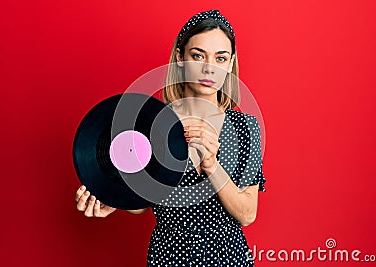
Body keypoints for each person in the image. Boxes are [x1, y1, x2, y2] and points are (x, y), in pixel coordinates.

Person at [75, 9, 266, 266]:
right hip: (168, 256)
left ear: (230, 63)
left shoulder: (245, 127)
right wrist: (113, 199)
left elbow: (247, 213)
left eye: (220, 59)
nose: (209, 69)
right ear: (180, 57)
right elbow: (142, 202)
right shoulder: (150, 122)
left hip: (228, 257)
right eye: (198, 56)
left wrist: (212, 166)